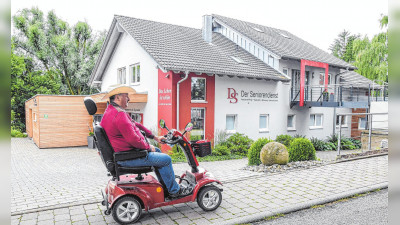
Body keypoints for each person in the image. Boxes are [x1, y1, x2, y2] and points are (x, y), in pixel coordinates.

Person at [100, 85, 190, 198]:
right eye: (126, 96)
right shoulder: (119, 115)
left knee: (157, 151)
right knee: (166, 159)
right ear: (118, 98)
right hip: (127, 157)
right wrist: (147, 147)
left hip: (123, 155)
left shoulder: (111, 111)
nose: (129, 99)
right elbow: (133, 140)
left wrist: (155, 137)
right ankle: (174, 191)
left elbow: (136, 125)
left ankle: (167, 186)